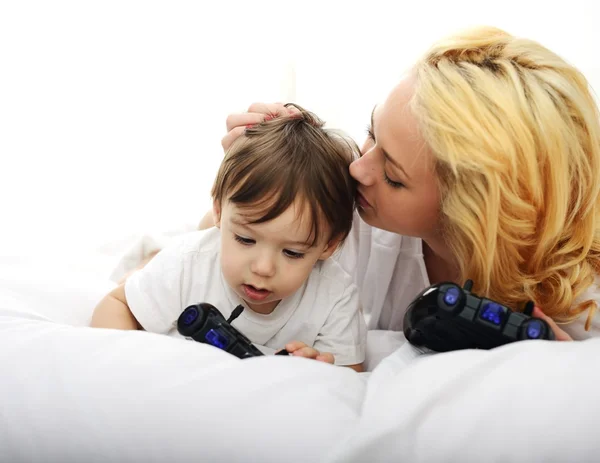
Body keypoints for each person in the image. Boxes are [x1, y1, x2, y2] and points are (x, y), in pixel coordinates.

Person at [204, 26, 600, 360]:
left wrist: (563, 373)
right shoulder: (349, 212)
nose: (358, 169)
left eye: (392, 175)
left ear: (471, 214)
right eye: (371, 133)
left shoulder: (583, 302)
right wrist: (246, 190)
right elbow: (176, 264)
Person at [91, 106, 367, 371]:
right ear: (219, 212)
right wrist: (126, 366)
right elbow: (117, 304)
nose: (263, 268)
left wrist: (319, 367)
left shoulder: (336, 295)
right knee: (153, 272)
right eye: (246, 239)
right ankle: (148, 260)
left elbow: (349, 372)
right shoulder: (190, 264)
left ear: (329, 244)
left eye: (292, 253)